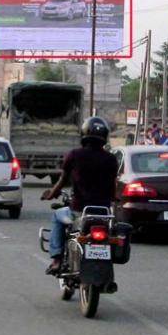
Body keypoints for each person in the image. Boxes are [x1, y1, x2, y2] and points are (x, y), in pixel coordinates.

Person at [40, 117, 118, 275]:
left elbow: (62, 181)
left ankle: (56, 260)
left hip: (79, 210)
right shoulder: (111, 159)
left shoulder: (74, 155)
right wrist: (115, 199)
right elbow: (113, 185)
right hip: (103, 212)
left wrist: (51, 194)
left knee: (57, 216)